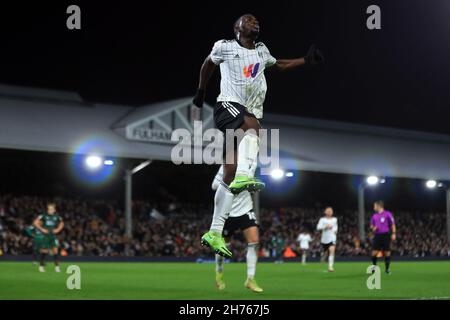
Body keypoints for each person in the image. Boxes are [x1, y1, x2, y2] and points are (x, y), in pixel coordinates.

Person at [195, 14, 324, 258]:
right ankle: (247, 174)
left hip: (247, 112)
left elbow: (281, 64)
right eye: (249, 19)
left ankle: (214, 231)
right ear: (237, 27)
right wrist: (201, 91)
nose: (255, 21)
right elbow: (207, 64)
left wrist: (305, 60)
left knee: (228, 174)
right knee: (253, 128)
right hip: (228, 106)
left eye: (256, 20)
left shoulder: (262, 50)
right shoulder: (225, 46)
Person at [212, 165, 263, 293]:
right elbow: (214, 185)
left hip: (245, 208)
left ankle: (250, 279)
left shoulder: (250, 165)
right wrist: (233, 184)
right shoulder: (226, 166)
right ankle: (219, 272)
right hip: (227, 211)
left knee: (255, 242)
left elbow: (251, 183)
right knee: (223, 246)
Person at [33, 202, 64, 272]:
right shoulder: (43, 215)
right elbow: (35, 222)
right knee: (44, 251)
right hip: (46, 236)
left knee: (55, 251)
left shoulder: (57, 216)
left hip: (53, 236)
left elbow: (62, 223)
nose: (50, 210)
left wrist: (58, 230)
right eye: (49, 209)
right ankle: (41, 266)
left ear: (54, 210)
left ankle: (57, 267)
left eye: (51, 209)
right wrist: (42, 229)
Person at [370, 200, 396, 274]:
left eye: (374, 206)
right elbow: (371, 225)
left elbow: (393, 224)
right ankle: (374, 268)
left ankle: (387, 269)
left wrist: (394, 233)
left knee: (387, 252)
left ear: (379, 206)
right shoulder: (374, 216)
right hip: (377, 236)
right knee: (374, 253)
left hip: (385, 235)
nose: (374, 207)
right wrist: (373, 228)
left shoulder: (388, 214)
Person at [316, 207, 338, 272]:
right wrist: (325, 226)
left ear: (332, 212)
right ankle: (323, 256)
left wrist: (334, 230)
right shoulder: (322, 220)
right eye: (328, 211)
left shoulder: (335, 219)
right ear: (325, 212)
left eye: (331, 211)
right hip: (324, 239)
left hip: (332, 238)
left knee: (332, 250)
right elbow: (318, 227)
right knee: (325, 253)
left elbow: (336, 228)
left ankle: (330, 267)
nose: (329, 212)